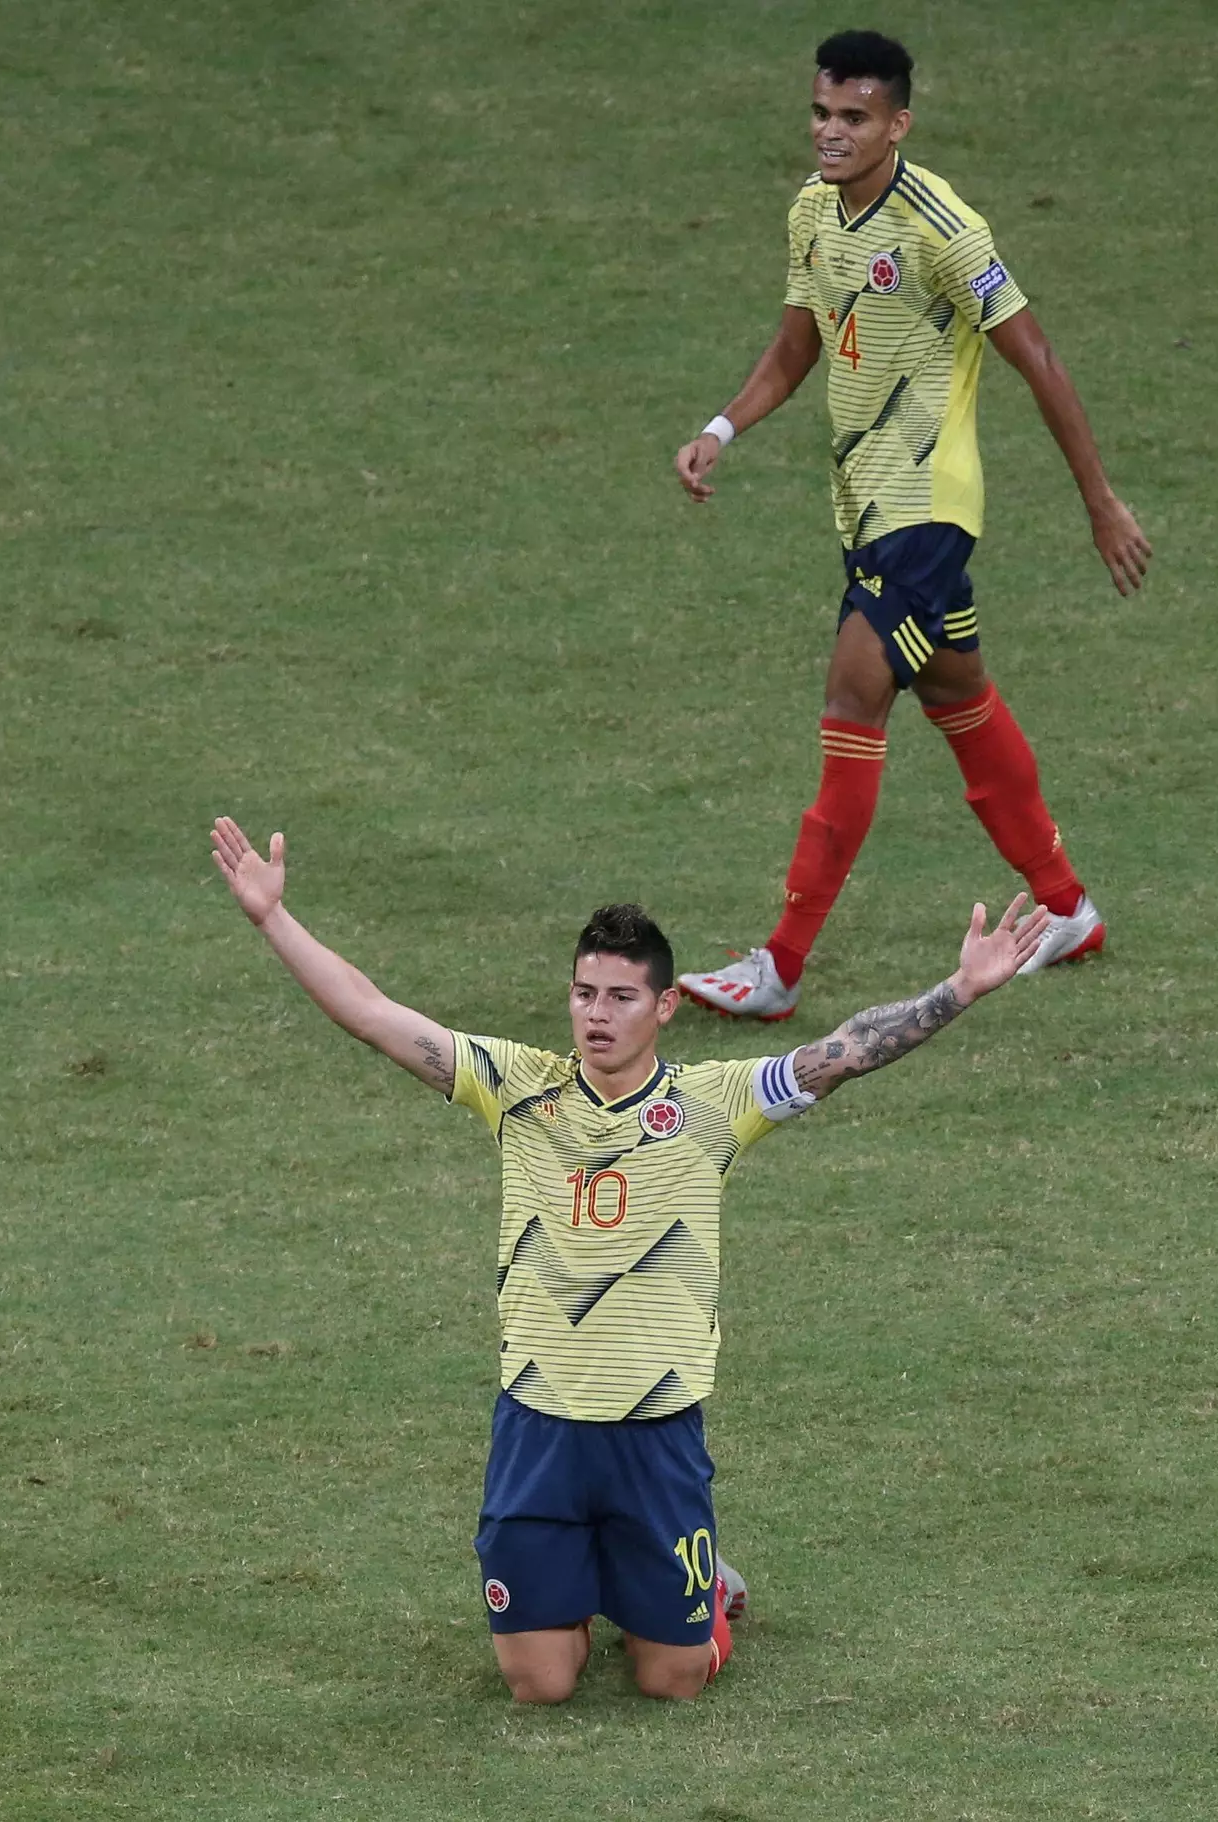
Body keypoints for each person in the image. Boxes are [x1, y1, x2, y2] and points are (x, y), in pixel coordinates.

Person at [209, 814, 1048, 1702]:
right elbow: (374, 1014)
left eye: (617, 997)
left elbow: (839, 1054)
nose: (595, 1014)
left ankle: (699, 1594)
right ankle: (579, 1588)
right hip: (540, 1426)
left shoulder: (714, 1104)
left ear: (663, 1006)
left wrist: (958, 989)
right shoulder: (518, 1088)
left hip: (657, 1434)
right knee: (542, 1686)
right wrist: (272, 918)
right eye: (583, 993)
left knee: (671, 1683)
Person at [674, 29, 1152, 1022]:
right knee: (956, 690)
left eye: (854, 117)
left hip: (928, 511)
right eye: (820, 113)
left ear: (899, 123)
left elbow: (1040, 360)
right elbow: (796, 345)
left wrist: (1100, 501)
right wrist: (723, 427)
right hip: (865, 509)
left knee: (853, 698)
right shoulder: (812, 212)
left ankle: (781, 966)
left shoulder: (943, 226)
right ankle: (1067, 911)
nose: (831, 133)